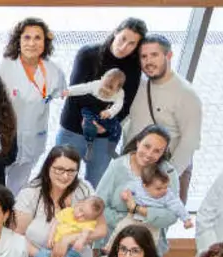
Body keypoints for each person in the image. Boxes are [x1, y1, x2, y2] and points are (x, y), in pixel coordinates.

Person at [57, 18, 147, 188]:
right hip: (73, 128)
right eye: (123, 39)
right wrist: (90, 119)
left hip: (104, 134)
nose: (123, 47)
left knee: (96, 185)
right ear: (115, 33)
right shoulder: (88, 54)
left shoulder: (134, 67)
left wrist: (106, 124)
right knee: (60, 182)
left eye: (131, 44)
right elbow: (76, 92)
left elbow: (125, 105)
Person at [13, 147, 104, 257]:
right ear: (48, 166)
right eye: (59, 169)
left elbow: (101, 229)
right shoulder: (31, 193)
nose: (65, 176)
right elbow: (16, 235)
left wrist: (68, 239)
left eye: (71, 171)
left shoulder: (84, 190)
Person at [121, 34, 202, 204]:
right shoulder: (139, 83)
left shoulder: (186, 94)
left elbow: (190, 142)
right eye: (144, 56)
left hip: (162, 172)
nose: (148, 61)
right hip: (132, 167)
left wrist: (167, 178)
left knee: (156, 223)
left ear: (169, 56)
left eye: (154, 55)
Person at [0, 18, 68, 194]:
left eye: (38, 38)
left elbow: (61, 93)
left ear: (45, 43)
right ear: (18, 41)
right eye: (27, 37)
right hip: (3, 137)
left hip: (33, 138)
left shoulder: (53, 71)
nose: (32, 43)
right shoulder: (5, 66)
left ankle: (12, 217)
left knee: (19, 185)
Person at [96, 125, 182, 256]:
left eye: (157, 151)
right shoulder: (117, 166)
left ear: (163, 153)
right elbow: (99, 205)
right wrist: (127, 223)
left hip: (149, 247)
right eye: (147, 146)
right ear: (138, 143)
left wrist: (137, 214)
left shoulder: (168, 173)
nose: (149, 154)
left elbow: (172, 215)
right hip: (114, 243)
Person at [64, 68, 127, 160]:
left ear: (118, 89)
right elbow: (82, 88)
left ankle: (111, 149)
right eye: (104, 85)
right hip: (90, 110)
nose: (105, 89)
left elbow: (118, 105)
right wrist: (68, 91)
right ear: (101, 79)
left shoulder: (120, 93)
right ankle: (89, 147)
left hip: (106, 112)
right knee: (88, 125)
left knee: (117, 128)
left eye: (110, 88)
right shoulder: (96, 85)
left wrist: (110, 112)